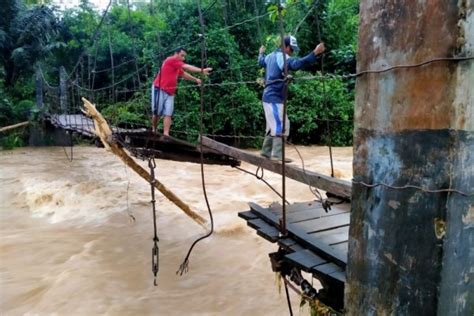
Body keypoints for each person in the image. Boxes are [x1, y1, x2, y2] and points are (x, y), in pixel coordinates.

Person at [257, 35, 325, 161]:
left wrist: (260, 53)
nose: (292, 52)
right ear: (285, 47)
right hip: (274, 97)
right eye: (291, 49)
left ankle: (266, 153)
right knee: (279, 126)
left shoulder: (269, 56)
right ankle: (277, 155)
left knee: (278, 124)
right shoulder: (281, 57)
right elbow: (294, 64)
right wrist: (314, 53)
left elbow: (260, 61)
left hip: (272, 97)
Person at [151, 47, 212, 135]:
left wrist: (196, 80)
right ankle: (154, 129)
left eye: (184, 56)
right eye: (182, 55)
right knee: (157, 113)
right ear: (176, 54)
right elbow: (187, 67)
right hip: (159, 88)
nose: (183, 58)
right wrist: (201, 70)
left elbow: (183, 74)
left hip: (170, 92)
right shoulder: (171, 60)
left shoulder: (176, 65)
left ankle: (166, 134)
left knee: (168, 113)